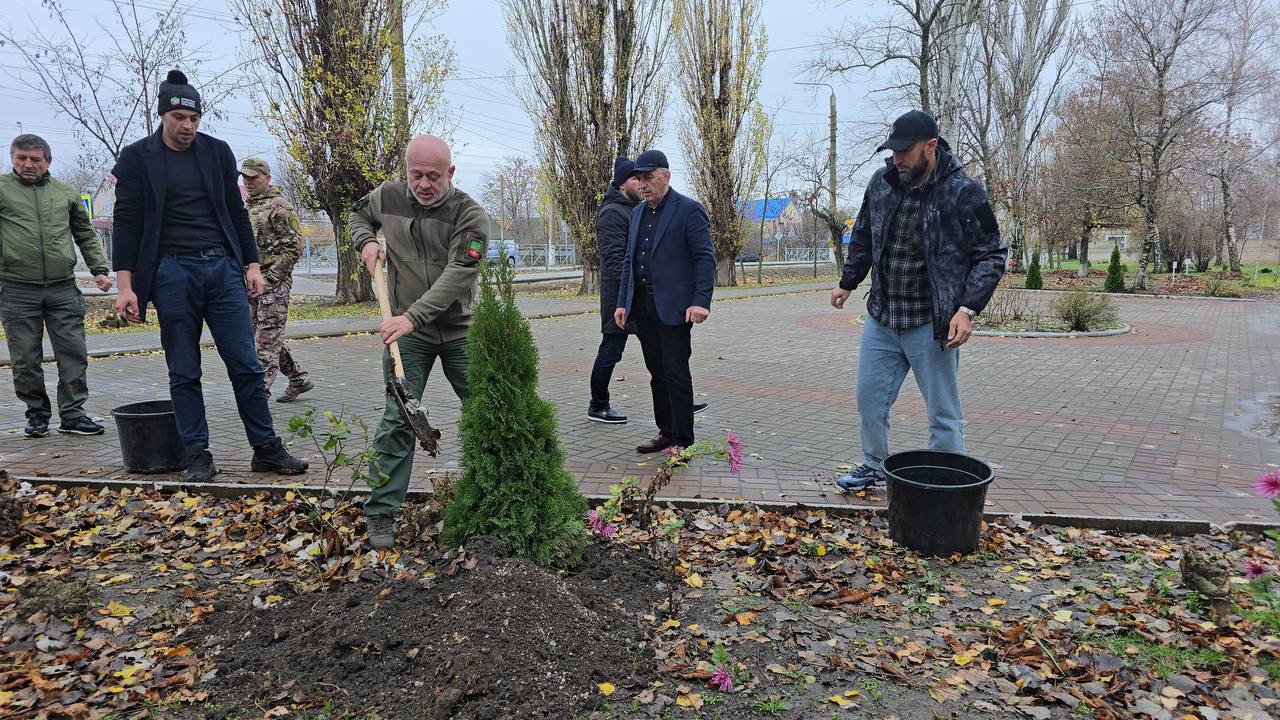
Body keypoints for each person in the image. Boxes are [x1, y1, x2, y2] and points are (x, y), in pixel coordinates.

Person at [111, 69, 308, 482]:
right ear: (164, 115)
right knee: (184, 370)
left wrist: (252, 265)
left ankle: (266, 448)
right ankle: (197, 453)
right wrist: (125, 286)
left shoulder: (217, 153)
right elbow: (126, 221)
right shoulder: (136, 158)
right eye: (179, 118)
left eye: (194, 119)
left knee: (247, 364)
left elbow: (236, 213)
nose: (187, 126)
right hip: (170, 272)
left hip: (222, 269)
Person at [829, 110, 1006, 491]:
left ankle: (946, 482)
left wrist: (967, 309)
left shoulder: (963, 191)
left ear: (930, 146)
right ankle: (874, 465)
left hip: (931, 322)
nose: (897, 159)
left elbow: (991, 254)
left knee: (943, 412)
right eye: (892, 151)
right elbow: (862, 235)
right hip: (883, 317)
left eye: (904, 151)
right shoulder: (882, 183)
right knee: (870, 400)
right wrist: (848, 281)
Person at [351, 134, 488, 549]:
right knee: (399, 419)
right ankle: (380, 513)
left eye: (433, 176)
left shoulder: (470, 215)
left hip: (460, 331)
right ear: (405, 171)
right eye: (416, 175)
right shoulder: (387, 197)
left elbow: (457, 277)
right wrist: (367, 241)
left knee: (487, 413)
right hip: (408, 337)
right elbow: (358, 215)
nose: (424, 184)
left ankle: (498, 497)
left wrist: (411, 317)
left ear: (450, 173)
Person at [0, 134, 112, 438]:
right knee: (25, 358)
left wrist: (99, 270)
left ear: (47, 161)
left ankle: (73, 414)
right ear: (12, 157)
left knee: (73, 352)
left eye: (35, 159)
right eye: (21, 157)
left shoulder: (65, 193)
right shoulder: (2, 190)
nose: (27, 164)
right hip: (16, 289)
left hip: (62, 288)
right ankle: (36, 414)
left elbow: (85, 234)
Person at [613, 150, 715, 454]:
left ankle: (683, 440)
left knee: (675, 372)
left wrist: (701, 301)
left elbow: (704, 258)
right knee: (657, 373)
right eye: (639, 179)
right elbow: (630, 261)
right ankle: (666, 432)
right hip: (643, 306)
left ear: (666, 176)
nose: (643, 185)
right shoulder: (637, 214)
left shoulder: (688, 210)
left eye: (648, 178)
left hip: (675, 307)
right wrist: (622, 302)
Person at [239, 158, 313, 402]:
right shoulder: (247, 206)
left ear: (267, 178)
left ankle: (257, 397)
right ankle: (299, 378)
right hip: (250, 284)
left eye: (254, 177)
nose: (248, 182)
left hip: (273, 284)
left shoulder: (279, 206)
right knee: (261, 338)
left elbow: (294, 247)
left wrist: (270, 277)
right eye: (245, 178)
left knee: (265, 343)